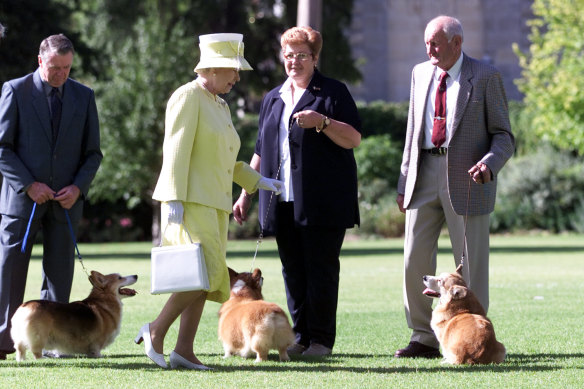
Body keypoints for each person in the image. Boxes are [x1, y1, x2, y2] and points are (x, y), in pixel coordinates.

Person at [136, 33, 283, 370]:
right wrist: (173, 198)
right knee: (204, 274)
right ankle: (155, 331)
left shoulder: (220, 104)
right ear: (214, 67)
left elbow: (223, 160)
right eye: (233, 70)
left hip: (215, 204)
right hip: (188, 201)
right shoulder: (187, 96)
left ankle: (183, 350)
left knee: (208, 279)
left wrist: (256, 180)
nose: (237, 78)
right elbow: (175, 149)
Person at [233, 26, 361, 357]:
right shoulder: (273, 98)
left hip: (323, 201)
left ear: (315, 58)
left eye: (302, 55)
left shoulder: (332, 92)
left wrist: (323, 122)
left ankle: (320, 340)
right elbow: (260, 149)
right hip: (281, 201)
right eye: (288, 55)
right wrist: (246, 192)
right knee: (293, 272)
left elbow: (353, 139)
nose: (294, 61)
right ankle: (300, 337)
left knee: (321, 270)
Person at [394, 15, 515, 359]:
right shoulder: (419, 73)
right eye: (426, 43)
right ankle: (423, 337)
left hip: (468, 178)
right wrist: (404, 180)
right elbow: (411, 133)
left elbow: (504, 136)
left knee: (470, 265)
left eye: (434, 43)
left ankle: (474, 337)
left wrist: (489, 165)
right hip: (422, 174)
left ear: (456, 43)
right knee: (414, 259)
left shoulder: (486, 76)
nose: (428, 49)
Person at [0, 34, 102, 360]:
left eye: (67, 68)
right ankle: (4, 339)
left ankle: (57, 343)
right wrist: (29, 185)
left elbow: (93, 154)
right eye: (55, 67)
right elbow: (3, 148)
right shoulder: (14, 91)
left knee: (59, 275)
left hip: (66, 202)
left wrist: (78, 187)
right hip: (21, 201)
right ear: (40, 60)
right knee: (10, 269)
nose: (61, 74)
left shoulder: (84, 96)